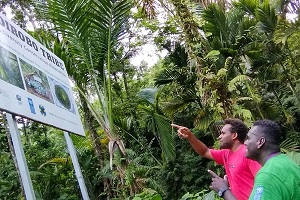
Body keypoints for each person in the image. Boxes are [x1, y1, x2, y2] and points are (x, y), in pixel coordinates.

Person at [209, 119, 300, 200]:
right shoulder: (287, 161)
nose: (245, 142)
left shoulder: (266, 176)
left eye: (248, 138)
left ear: (260, 142)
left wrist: (223, 190)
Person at [172, 119, 261, 200]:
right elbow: (204, 152)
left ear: (234, 135)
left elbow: (263, 183)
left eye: (223, 133)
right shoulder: (226, 153)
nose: (219, 137)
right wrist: (190, 136)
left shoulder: (248, 154)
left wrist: (224, 189)